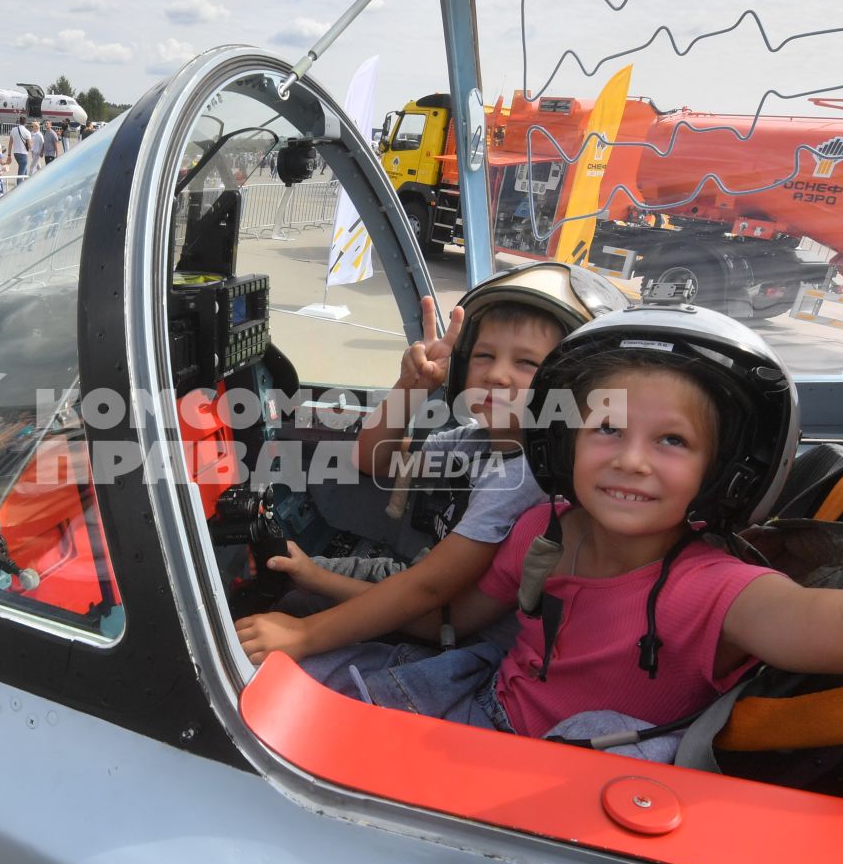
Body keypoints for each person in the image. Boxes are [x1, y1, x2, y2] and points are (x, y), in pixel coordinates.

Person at [243, 178, 843, 754]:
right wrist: (325, 598)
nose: (632, 460)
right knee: (268, 693)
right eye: (607, 427)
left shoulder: (712, 592)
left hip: (561, 783)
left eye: (674, 441)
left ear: (723, 470)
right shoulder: (544, 525)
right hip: (477, 703)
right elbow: (451, 622)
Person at [233, 265, 595, 696]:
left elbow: (430, 590)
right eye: (483, 356)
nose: (497, 375)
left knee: (280, 673)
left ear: (567, 384)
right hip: (430, 608)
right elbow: (373, 460)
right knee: (289, 596)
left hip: (473, 653)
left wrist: (304, 635)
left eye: (526, 363)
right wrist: (412, 387)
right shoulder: (476, 441)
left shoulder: (525, 477)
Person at [9, 116, 34, 181]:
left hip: (16, 153)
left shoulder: (13, 130)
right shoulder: (27, 132)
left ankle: (26, 184)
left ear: (19, 121)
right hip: (23, 153)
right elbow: (29, 146)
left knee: (24, 169)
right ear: (25, 123)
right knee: (21, 172)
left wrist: (9, 154)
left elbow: (10, 143)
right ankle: (19, 187)